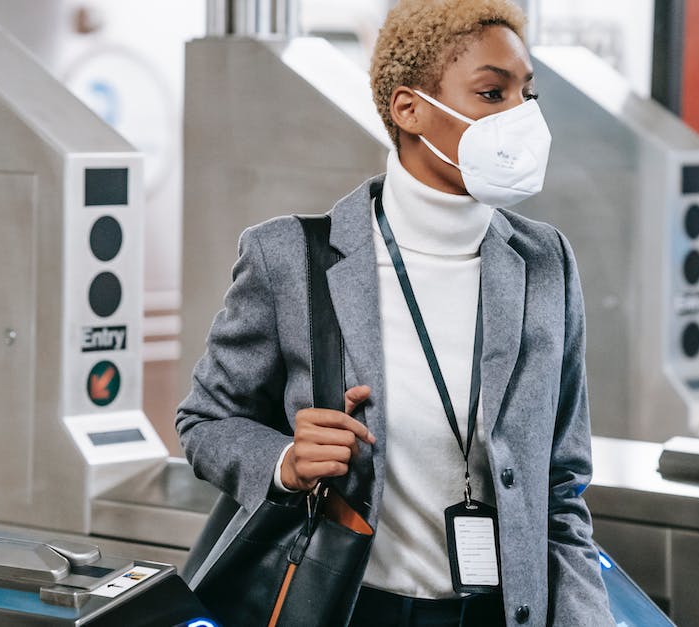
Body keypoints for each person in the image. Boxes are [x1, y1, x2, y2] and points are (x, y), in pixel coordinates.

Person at [176, 1, 614, 625]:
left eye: (527, 93)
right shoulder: (290, 259)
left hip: (502, 613)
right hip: (352, 607)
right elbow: (206, 421)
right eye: (493, 93)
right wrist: (286, 464)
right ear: (410, 109)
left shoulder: (545, 262)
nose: (521, 116)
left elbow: (562, 486)